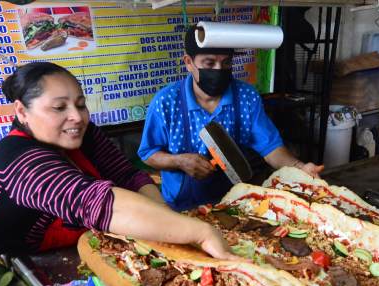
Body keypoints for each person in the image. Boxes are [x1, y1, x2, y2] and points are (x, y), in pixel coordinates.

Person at [0, 62, 236, 259]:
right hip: (20, 267)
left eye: (80, 104)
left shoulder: (80, 132)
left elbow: (128, 176)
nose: (76, 116)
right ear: (21, 111)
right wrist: (200, 232)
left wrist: (166, 220)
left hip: (71, 245)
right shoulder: (20, 162)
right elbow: (100, 204)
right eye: (59, 107)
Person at [137, 25, 323, 211]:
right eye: (209, 64)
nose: (219, 70)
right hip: (182, 207)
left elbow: (271, 148)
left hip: (236, 203)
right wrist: (179, 161)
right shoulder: (166, 102)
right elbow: (148, 154)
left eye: (226, 63)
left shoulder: (246, 96)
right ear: (188, 62)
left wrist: (300, 168)